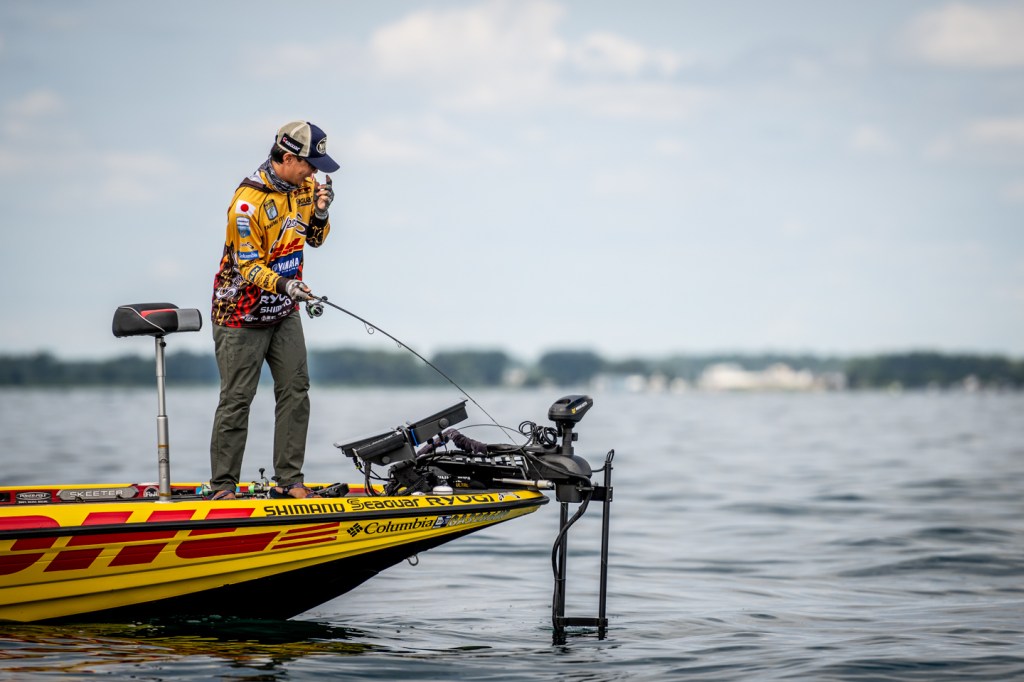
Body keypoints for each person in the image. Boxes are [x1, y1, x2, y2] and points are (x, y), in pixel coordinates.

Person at [207, 120, 339, 500]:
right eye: (310, 165)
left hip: (283, 309)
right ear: (286, 158)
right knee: (237, 399)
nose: (313, 174)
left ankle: (290, 481)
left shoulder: (306, 188)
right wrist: (288, 285)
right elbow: (248, 267)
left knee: (296, 390)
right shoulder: (246, 205)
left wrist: (321, 212)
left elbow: (314, 240)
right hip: (240, 313)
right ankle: (223, 488)